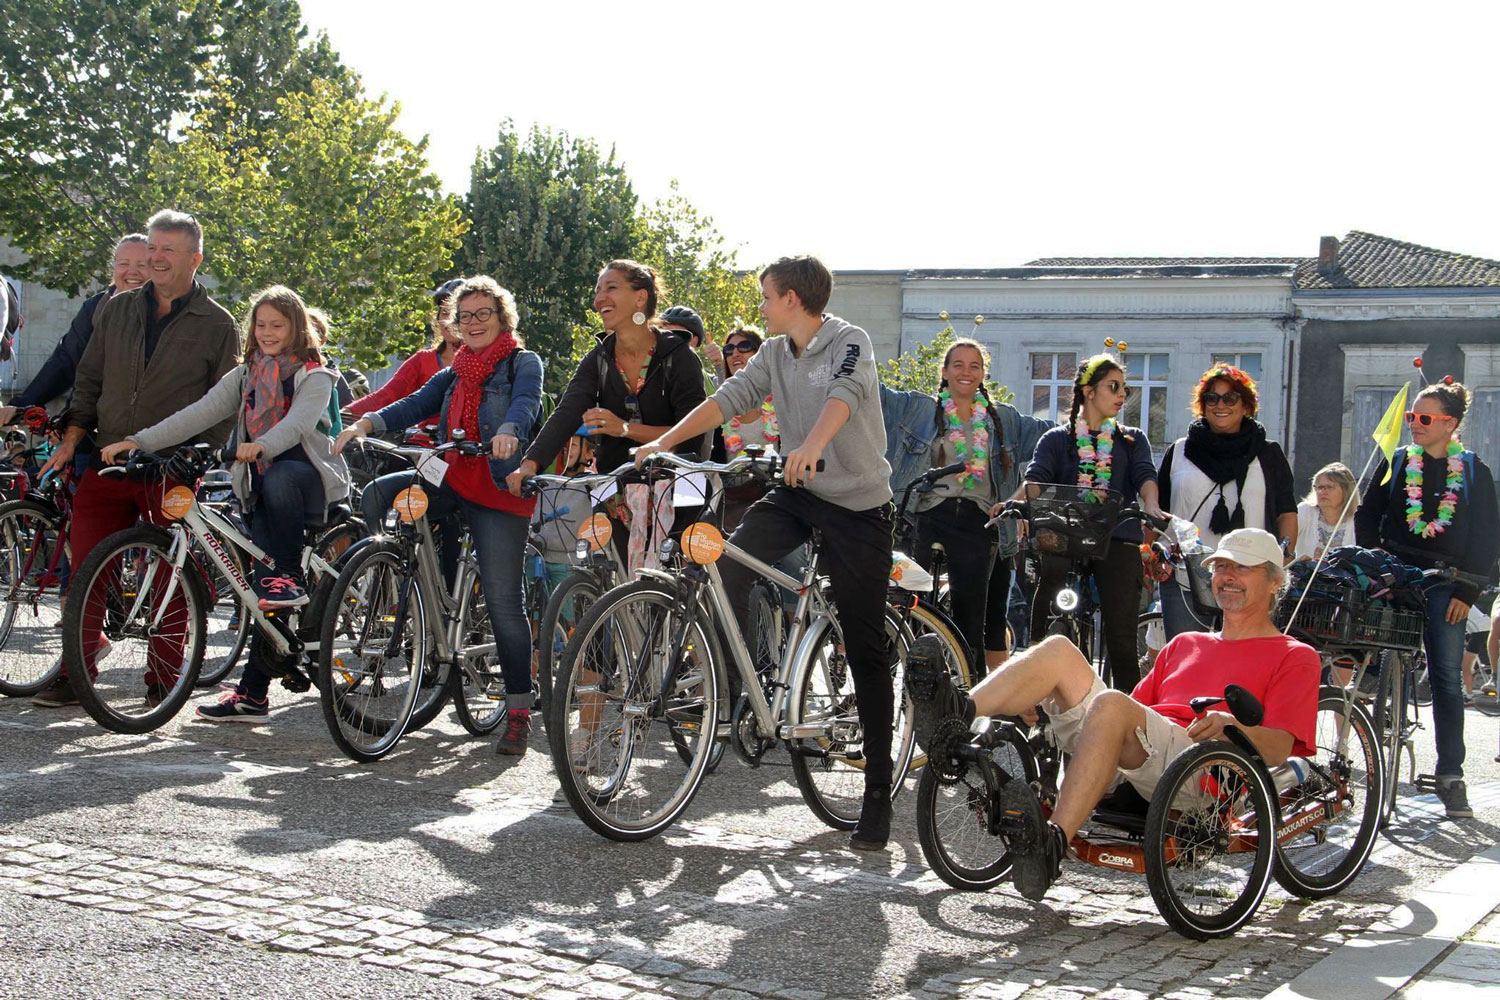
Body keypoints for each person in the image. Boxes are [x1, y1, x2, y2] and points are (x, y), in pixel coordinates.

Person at [634, 254, 899, 852]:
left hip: (858, 505)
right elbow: (728, 399)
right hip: (799, 494)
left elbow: (845, 396)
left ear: (793, 300)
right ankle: (736, 683)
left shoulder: (846, 341)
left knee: (864, 645)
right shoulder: (774, 354)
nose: (759, 306)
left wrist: (809, 444)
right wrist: (664, 442)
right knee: (725, 558)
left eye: (765, 296)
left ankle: (878, 793)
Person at [907, 527, 1318, 900]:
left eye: (1242, 569)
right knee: (1058, 650)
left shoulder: (1295, 656)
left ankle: (1053, 845)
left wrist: (1232, 727)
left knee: (1111, 705)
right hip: (1134, 752)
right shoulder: (1185, 643)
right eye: (1221, 566)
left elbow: (1281, 747)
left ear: (1275, 581)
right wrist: (1039, 691)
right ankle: (955, 714)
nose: (1227, 577)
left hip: (1202, 767)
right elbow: (1130, 709)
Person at [101, 286, 351, 721]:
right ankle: (253, 695)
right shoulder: (246, 374)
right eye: (261, 325)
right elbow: (198, 412)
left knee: (276, 564)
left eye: (278, 325)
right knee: (259, 593)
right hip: (257, 483)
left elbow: (297, 426)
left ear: (296, 327)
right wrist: (138, 441)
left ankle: (289, 574)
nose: (268, 332)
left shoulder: (315, 375)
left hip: (305, 480)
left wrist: (262, 446)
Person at [32, 210, 240, 709]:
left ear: (196, 258)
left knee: (172, 575)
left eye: (167, 249)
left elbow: (225, 399)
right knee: (86, 569)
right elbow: (89, 378)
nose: (155, 257)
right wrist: (74, 434)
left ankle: (164, 681)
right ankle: (76, 672)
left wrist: (199, 453)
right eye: (152, 247)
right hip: (108, 457)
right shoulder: (117, 308)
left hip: (170, 466)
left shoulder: (218, 323)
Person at [337, 276, 544, 755]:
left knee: (503, 603)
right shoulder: (454, 370)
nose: (472, 323)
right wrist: (365, 424)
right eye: (464, 315)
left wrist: (510, 432)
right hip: (449, 479)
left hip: (497, 488)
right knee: (380, 493)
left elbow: (525, 403)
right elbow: (412, 404)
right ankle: (417, 591)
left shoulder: (521, 362)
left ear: (502, 319)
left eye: (482, 314)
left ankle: (517, 711)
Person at [1355, 379, 1500, 819]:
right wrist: (1374, 558)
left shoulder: (1474, 471)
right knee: (1366, 649)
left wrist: (1468, 590)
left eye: (1424, 418)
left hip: (1448, 580)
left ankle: (1450, 775)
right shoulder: (1397, 462)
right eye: (1411, 417)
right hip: (1398, 575)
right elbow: (1366, 513)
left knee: (1445, 676)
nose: (1413, 424)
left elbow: (1488, 536)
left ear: (1450, 424)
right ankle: (1373, 704)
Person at [880, 338, 1052, 673]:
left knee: (970, 616)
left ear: (983, 373)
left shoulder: (1003, 418)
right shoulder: (919, 409)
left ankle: (968, 698)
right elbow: (876, 396)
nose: (966, 372)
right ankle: (896, 690)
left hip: (977, 520)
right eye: (958, 365)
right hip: (926, 516)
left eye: (974, 366)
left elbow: (1051, 440)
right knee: (909, 606)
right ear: (944, 372)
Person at [1019, 352, 1162, 691]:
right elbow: (1036, 478)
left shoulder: (1132, 439)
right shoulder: (1057, 438)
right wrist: (1015, 502)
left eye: (1123, 388)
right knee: (1049, 588)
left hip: (1117, 536)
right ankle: (1033, 691)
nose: (1121, 395)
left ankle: (1128, 715)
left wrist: (1153, 505)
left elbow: (1145, 476)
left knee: (1122, 636)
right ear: (1089, 390)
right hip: (1067, 534)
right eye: (1113, 386)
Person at [507, 259, 706, 498]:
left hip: (679, 491)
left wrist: (623, 428)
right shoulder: (598, 358)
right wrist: (530, 464)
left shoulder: (679, 355)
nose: (599, 299)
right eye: (597, 291)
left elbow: (691, 432)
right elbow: (566, 413)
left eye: (611, 288)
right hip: (616, 492)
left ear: (640, 298)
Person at [1157, 364, 1296, 637]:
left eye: (1230, 398)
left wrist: (1284, 557)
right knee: (1188, 660)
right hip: (1186, 574)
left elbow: (1286, 511)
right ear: (1202, 404)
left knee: (1244, 661)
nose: (1221, 405)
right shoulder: (1179, 451)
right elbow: (1157, 511)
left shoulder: (1268, 453)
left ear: (1246, 406)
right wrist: (1150, 553)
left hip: (1250, 576)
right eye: (1212, 398)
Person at [0, 234, 150, 429]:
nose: (132, 272)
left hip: (147, 430)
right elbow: (66, 361)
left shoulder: (163, 311)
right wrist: (23, 404)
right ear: (113, 268)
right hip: (89, 429)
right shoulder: (95, 307)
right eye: (123, 263)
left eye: (142, 265)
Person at [346, 278, 465, 443]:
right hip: (425, 450)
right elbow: (387, 397)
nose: (448, 321)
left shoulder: (492, 364)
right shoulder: (422, 361)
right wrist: (342, 415)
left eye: (456, 314)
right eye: (444, 313)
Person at [1293, 462, 1359, 561]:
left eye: (1329, 487)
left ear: (1346, 490)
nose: (1322, 492)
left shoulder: (1357, 518)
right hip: (1306, 575)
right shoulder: (1305, 511)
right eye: (1319, 487)